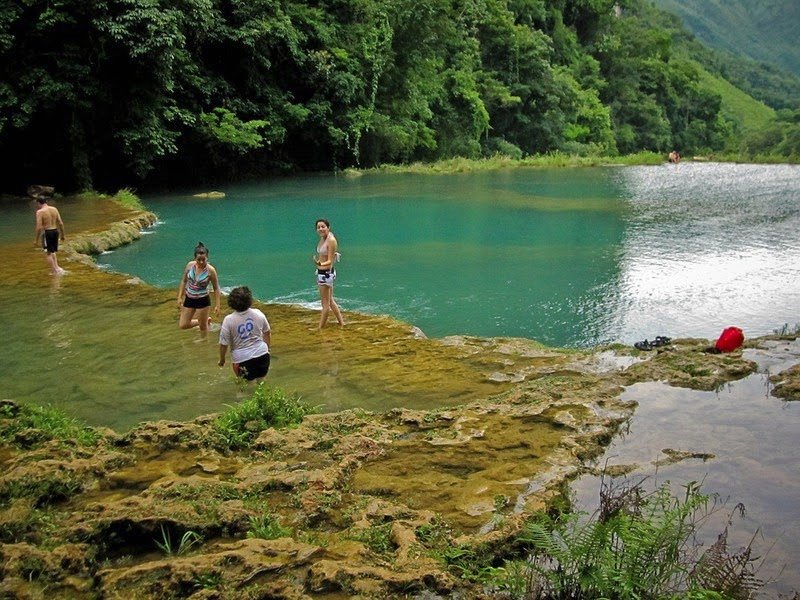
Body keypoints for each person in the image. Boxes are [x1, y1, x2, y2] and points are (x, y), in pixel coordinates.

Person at [218, 286, 271, 381]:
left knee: (244, 385)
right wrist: (267, 349)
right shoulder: (258, 313)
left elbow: (223, 344)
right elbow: (267, 333)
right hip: (263, 355)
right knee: (261, 382)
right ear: (250, 300)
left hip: (242, 359)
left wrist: (222, 360)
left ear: (231, 302)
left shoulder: (228, 320)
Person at [177, 241, 221, 333]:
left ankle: (204, 338)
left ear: (207, 257)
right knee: (183, 324)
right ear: (195, 258)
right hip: (189, 298)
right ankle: (204, 321)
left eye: (203, 259)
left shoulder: (211, 270)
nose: (201, 262)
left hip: (202, 300)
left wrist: (217, 305)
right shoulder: (190, 266)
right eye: (198, 259)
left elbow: (216, 288)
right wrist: (180, 297)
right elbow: (184, 281)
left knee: (203, 328)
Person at [314, 218, 344, 328]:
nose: (320, 229)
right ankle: (342, 323)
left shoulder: (331, 240)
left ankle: (320, 328)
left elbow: (330, 260)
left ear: (328, 227)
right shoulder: (323, 238)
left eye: (323, 226)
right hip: (323, 272)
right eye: (318, 227)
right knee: (330, 301)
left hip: (325, 273)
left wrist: (320, 263)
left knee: (325, 305)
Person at [34, 197, 66, 275]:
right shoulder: (54, 209)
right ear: (46, 202)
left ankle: (54, 270)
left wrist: (36, 240)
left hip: (47, 232)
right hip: (55, 231)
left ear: (38, 203)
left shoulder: (40, 212)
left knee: (48, 253)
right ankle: (57, 267)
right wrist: (63, 235)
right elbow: (60, 223)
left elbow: (39, 227)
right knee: (52, 251)